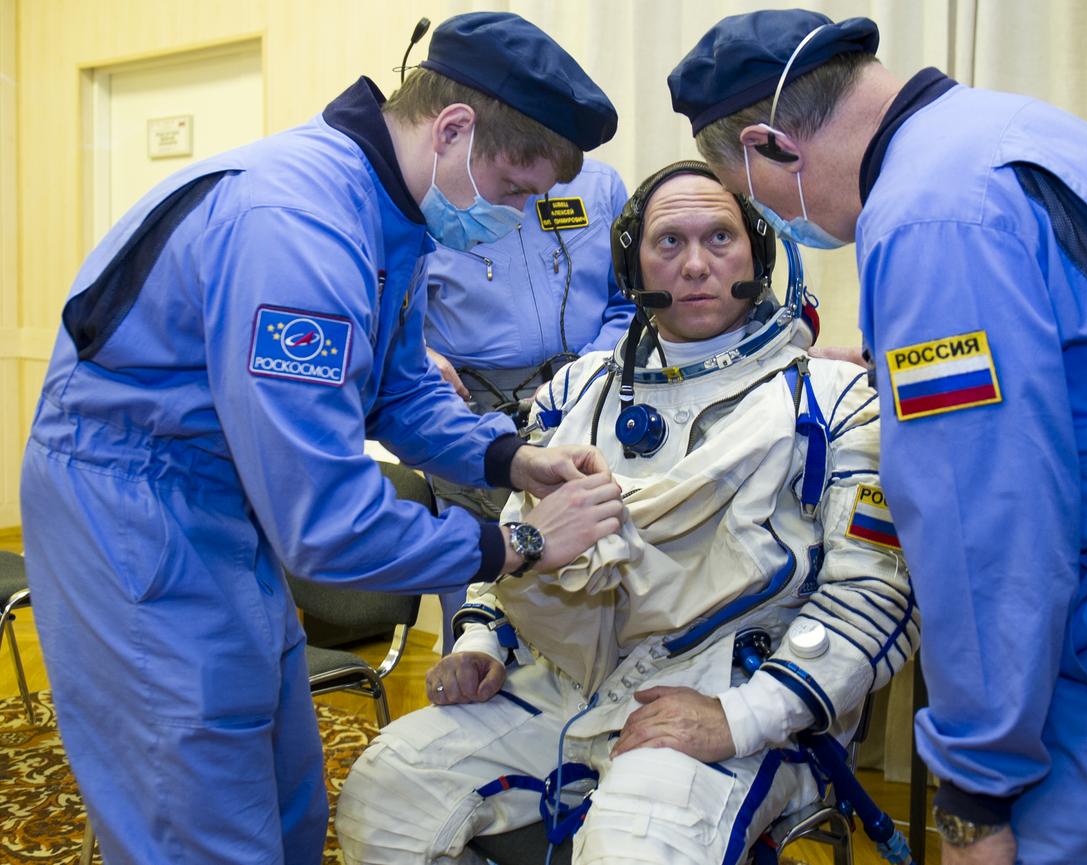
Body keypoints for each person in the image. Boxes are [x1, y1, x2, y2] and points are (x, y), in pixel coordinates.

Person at [667, 9, 1087, 865]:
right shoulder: (1010, 133)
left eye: (759, 204)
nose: (788, 226)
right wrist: (903, 371)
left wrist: (974, 793)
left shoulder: (926, 222)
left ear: (775, 145)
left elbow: (984, 522)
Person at [19, 12, 627, 865]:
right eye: (517, 189)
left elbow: (399, 385)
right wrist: (519, 541)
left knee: (285, 792)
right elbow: (328, 522)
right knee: (194, 806)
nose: (522, 214)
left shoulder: (387, 209)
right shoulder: (299, 229)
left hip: (226, 503)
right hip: (134, 507)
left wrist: (510, 456)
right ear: (453, 129)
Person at [334, 162, 919, 865]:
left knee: (638, 846)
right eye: (669, 242)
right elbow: (525, 544)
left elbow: (872, 596)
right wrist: (481, 643)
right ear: (632, 262)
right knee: (387, 790)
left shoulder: (830, 402)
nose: (697, 264)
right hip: (562, 681)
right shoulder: (579, 394)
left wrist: (742, 717)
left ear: (758, 255)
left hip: (732, 692)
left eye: (720, 238)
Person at [422, 155, 631, 649]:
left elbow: (631, 301)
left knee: (589, 580)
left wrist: (582, 375)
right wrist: (418, 353)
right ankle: (477, 673)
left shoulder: (599, 186)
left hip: (585, 401)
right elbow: (382, 312)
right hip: (467, 413)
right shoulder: (434, 191)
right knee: (479, 585)